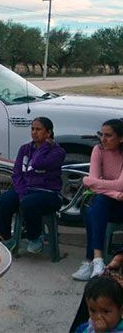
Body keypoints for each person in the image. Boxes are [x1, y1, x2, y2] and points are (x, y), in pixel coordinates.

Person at [0, 117, 66, 253]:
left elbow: (38, 163)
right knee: (3, 201)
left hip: (48, 193)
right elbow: (16, 174)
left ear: (49, 132)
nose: (34, 132)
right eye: (32, 129)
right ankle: (6, 238)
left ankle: (35, 237)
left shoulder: (58, 152)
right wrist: (21, 192)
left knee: (29, 203)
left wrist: (45, 146)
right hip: (26, 191)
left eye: (38, 129)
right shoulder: (25, 149)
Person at [72, 119, 123, 281]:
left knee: (94, 209)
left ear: (121, 138)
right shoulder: (98, 150)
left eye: (108, 135)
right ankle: (98, 260)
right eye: (102, 134)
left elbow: (120, 183)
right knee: (97, 205)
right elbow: (92, 182)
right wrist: (115, 194)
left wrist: (90, 182)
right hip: (111, 200)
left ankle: (90, 261)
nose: (103, 139)